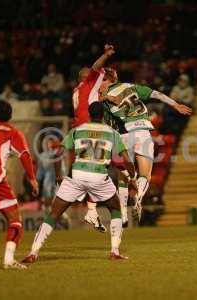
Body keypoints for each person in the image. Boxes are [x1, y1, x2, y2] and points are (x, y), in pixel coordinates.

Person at [22, 102, 137, 263]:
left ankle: (33, 253)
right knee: (116, 209)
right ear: (103, 115)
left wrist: (59, 176)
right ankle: (114, 252)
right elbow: (126, 160)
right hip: (98, 177)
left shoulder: (77, 130)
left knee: (53, 215)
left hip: (76, 176)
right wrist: (132, 177)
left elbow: (59, 153)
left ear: (89, 114)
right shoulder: (112, 133)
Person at [98, 67, 192, 225]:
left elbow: (107, 124)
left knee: (123, 175)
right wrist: (175, 104)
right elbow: (156, 94)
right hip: (142, 131)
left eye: (101, 81)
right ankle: (138, 197)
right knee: (146, 175)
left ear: (108, 81)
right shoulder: (131, 87)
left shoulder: (103, 98)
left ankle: (123, 213)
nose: (99, 85)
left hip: (124, 134)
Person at [0, 100, 39, 269]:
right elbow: (25, 155)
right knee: (15, 219)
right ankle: (9, 260)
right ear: (10, 116)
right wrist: (32, 179)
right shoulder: (12, 132)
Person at [73, 44, 115, 231]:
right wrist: (106, 55)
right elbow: (96, 67)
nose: (101, 78)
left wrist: (105, 98)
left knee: (94, 168)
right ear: (86, 77)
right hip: (89, 130)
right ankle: (89, 209)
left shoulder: (78, 91)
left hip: (80, 130)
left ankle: (91, 210)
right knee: (98, 168)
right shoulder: (89, 82)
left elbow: (92, 100)